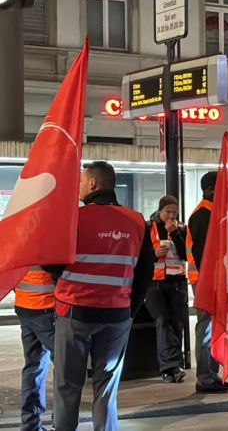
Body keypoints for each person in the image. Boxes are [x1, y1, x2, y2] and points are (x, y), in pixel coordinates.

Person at [47, 161, 155, 431]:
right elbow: (145, 273)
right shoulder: (137, 221)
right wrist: (128, 312)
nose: (80, 187)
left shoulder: (75, 219)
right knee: (106, 387)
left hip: (74, 312)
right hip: (116, 315)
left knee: (67, 386)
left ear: (93, 184)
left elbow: (51, 264)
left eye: (83, 181)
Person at [187, 172, 228, 393]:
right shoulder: (203, 215)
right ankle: (205, 378)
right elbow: (201, 253)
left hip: (212, 279)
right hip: (205, 280)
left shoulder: (212, 214)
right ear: (209, 190)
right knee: (205, 328)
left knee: (213, 327)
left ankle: (212, 374)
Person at [146, 195, 188, 384]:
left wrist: (176, 234)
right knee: (162, 321)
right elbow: (140, 254)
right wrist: (154, 254)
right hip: (154, 283)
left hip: (177, 281)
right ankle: (169, 366)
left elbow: (187, 254)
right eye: (167, 212)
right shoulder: (148, 227)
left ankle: (174, 365)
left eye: (174, 212)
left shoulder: (182, 229)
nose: (171, 216)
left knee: (175, 323)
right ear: (160, 211)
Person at [15, 267, 55, 431]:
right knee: (65, 370)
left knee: (33, 366)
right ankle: (62, 423)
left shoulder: (18, 239)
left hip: (25, 303)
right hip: (48, 304)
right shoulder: (50, 240)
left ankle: (30, 425)